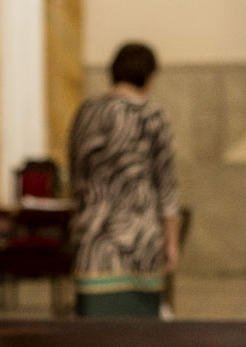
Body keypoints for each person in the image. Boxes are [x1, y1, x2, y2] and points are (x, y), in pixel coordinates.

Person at [68, 41, 180, 318]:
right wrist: (172, 241)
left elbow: (75, 175)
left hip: (92, 243)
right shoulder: (151, 116)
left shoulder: (86, 112)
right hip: (140, 245)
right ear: (149, 76)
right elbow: (166, 186)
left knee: (94, 342)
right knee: (138, 343)